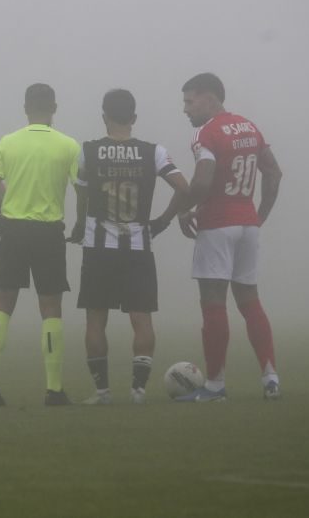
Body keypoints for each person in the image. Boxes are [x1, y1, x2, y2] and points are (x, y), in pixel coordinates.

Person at [68, 89, 190, 405]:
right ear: (134, 118)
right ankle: (138, 391)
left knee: (95, 319)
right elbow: (182, 187)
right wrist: (162, 220)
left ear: (104, 116)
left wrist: (80, 226)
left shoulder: (88, 152)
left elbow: (82, 197)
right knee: (142, 319)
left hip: (98, 248)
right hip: (137, 247)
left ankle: (102, 391)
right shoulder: (153, 152)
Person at [175, 73, 283, 401]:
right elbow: (273, 172)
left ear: (210, 97)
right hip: (247, 224)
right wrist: (259, 216)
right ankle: (270, 378)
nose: (185, 109)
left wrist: (182, 210)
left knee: (213, 302)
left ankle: (215, 385)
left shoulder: (206, 133)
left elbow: (203, 183)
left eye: (189, 101)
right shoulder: (249, 127)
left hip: (218, 225)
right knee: (250, 301)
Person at [0, 83, 81, 406]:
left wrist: (8, 204)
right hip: (49, 231)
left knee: (2, 303)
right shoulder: (68, 145)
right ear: (54, 107)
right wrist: (80, 223)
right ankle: (53, 388)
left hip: (13, 229)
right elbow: (83, 190)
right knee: (50, 308)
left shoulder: (7, 143)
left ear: (26, 108)